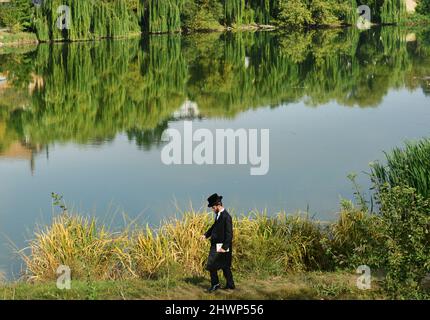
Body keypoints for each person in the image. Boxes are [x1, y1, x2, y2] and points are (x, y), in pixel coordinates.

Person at [202, 193, 235, 292]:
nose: (212, 209)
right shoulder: (218, 215)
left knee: (213, 265)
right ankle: (230, 284)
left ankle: (216, 284)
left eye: (213, 207)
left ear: (218, 205)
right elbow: (214, 227)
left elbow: (229, 234)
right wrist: (205, 235)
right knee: (223, 266)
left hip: (222, 246)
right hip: (216, 245)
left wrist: (224, 247)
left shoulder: (226, 217)